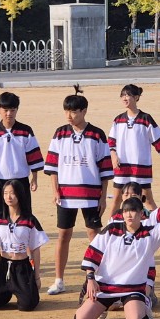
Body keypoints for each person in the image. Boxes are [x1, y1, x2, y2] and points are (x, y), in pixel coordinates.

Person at [74, 182, 160, 319]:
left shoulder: (151, 233)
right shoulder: (111, 229)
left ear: (141, 213)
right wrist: (90, 278)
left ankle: (143, 303)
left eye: (133, 211)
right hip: (105, 288)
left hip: (133, 288)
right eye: (126, 211)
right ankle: (105, 306)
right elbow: (92, 253)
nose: (129, 214)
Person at [45, 86, 113, 295]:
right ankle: (59, 279)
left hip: (91, 194)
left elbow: (104, 168)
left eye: (73, 111)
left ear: (84, 111)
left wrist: (103, 196)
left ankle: (100, 276)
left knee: (94, 235)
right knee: (63, 235)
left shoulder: (97, 134)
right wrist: (55, 190)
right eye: (66, 111)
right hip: (66, 195)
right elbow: (53, 165)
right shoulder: (59, 134)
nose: (69, 115)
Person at [0, 181, 47, 312]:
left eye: (12, 193)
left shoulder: (30, 220)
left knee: (28, 305)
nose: (9, 197)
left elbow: (35, 249)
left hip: (22, 267)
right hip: (2, 266)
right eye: (5, 193)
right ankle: (6, 292)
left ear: (20, 195)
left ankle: (19, 290)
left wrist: (37, 276)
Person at [108, 84, 160, 215]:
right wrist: (113, 155)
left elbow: (159, 141)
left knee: (147, 200)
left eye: (128, 95)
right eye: (122, 95)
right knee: (117, 199)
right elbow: (111, 142)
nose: (124, 98)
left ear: (136, 97)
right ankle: (111, 226)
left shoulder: (146, 119)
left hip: (141, 167)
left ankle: (157, 225)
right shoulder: (118, 120)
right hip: (121, 166)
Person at [0, 91, 43, 225]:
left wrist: (34, 178)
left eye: (12, 110)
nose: (9, 114)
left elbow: (33, 155)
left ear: (17, 110)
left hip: (20, 180)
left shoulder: (26, 131)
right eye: (5, 110)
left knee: (24, 215)